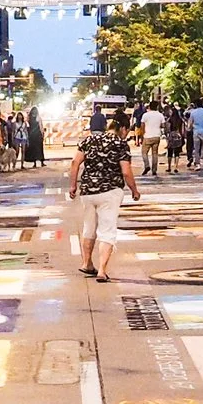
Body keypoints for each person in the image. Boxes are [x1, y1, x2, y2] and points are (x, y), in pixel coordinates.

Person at [69, 104, 141, 280]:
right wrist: (134, 190)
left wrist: (73, 185)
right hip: (110, 191)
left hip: (87, 191)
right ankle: (102, 270)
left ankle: (87, 264)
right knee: (107, 230)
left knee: (89, 228)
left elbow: (75, 163)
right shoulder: (120, 144)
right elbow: (125, 171)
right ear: (123, 128)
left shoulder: (88, 140)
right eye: (127, 130)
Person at [138, 103, 166, 179]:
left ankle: (147, 165)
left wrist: (142, 136)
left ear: (149, 107)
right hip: (157, 136)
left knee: (144, 152)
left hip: (147, 136)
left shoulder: (145, 115)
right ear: (157, 107)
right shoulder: (160, 115)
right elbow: (163, 125)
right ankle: (154, 170)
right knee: (155, 153)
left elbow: (142, 126)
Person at [188, 98, 203, 170]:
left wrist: (189, 128)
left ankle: (197, 164)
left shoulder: (193, 112)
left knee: (196, 149)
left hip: (196, 132)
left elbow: (190, 123)